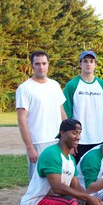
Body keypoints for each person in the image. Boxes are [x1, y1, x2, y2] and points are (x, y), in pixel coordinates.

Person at [15, 119, 102, 205]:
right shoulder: (51, 154)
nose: (78, 137)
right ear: (62, 133)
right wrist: (87, 199)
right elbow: (57, 188)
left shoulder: (70, 160)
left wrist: (91, 199)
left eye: (79, 133)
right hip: (34, 204)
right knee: (70, 204)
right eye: (74, 133)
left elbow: (76, 187)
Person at [16, 50, 67, 180]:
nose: (41, 67)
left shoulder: (54, 85)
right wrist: (29, 147)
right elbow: (22, 120)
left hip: (57, 141)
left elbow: (62, 113)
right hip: (38, 142)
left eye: (44, 63)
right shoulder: (25, 88)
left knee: (59, 180)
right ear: (32, 66)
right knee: (38, 181)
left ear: (48, 64)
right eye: (37, 64)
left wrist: (67, 139)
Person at [63, 50, 103, 163]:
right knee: (77, 174)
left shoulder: (102, 85)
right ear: (80, 64)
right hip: (79, 140)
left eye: (91, 61)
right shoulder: (72, 85)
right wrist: (71, 140)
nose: (88, 64)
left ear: (95, 64)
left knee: (95, 172)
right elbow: (66, 113)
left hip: (98, 138)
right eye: (85, 61)